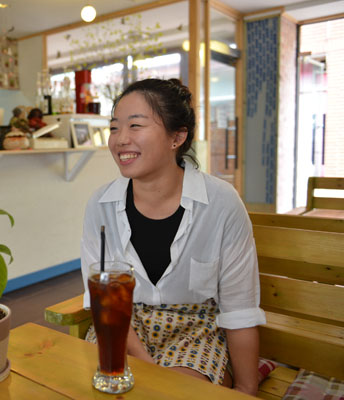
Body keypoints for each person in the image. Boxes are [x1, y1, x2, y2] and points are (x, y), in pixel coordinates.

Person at [80, 78, 266, 396]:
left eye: (135, 125)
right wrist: (148, 368)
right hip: (123, 328)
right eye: (114, 128)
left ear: (177, 137)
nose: (120, 140)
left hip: (195, 330)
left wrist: (247, 389)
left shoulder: (220, 202)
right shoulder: (101, 205)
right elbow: (105, 301)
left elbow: (239, 308)